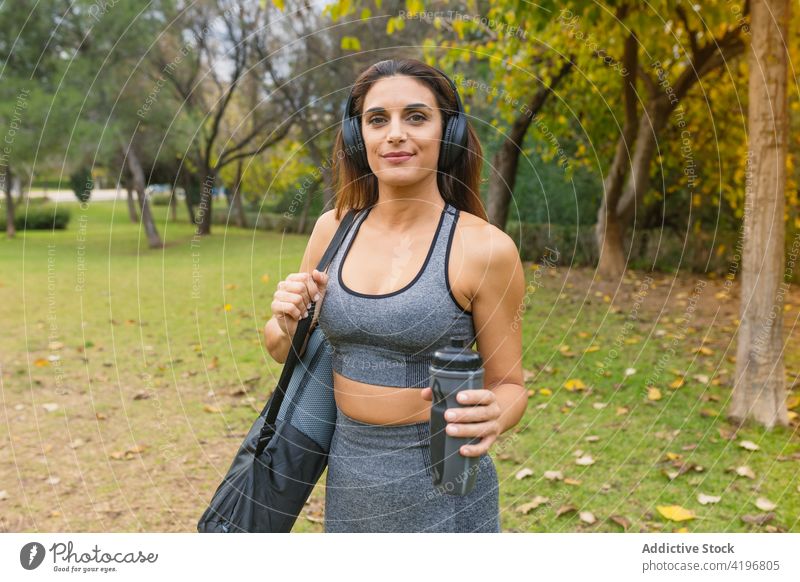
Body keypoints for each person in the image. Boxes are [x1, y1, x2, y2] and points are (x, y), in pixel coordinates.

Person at [263, 58, 526, 532]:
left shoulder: (486, 249)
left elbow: (510, 385)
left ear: (448, 133)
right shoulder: (333, 229)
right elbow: (283, 348)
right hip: (349, 481)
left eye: (417, 117)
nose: (395, 134)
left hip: (444, 486)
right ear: (356, 137)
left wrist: (495, 417)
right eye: (377, 119)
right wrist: (285, 322)